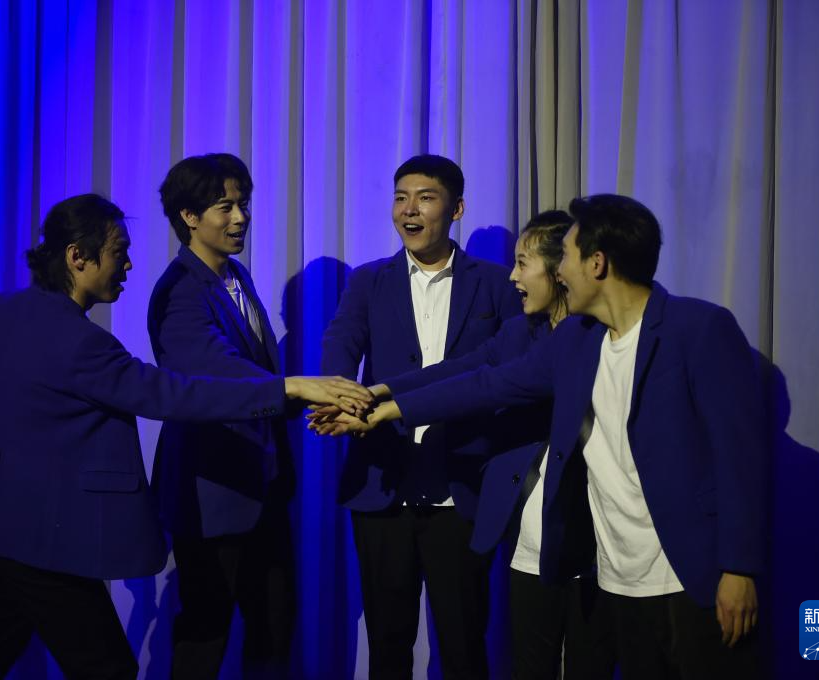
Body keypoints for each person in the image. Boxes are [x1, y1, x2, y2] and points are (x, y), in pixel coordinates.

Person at [320, 194, 767, 679]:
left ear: (597, 263)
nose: (559, 271)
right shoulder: (577, 339)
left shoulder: (698, 329)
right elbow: (484, 382)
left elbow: (739, 459)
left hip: (690, 575)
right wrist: (385, 409)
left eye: (566, 257)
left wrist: (739, 567)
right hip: (619, 577)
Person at [0, 194, 371, 679]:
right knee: (107, 670)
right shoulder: (84, 343)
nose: (129, 265)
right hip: (47, 545)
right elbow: (173, 395)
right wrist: (289, 388)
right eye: (118, 252)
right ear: (77, 256)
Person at [318, 211, 615, 679]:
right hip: (529, 532)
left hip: (590, 527)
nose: (512, 277)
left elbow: (485, 387)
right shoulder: (521, 331)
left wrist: (384, 412)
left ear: (562, 269)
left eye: (522, 264)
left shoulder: (591, 336)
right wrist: (377, 393)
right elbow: (461, 370)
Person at [320, 155, 520, 679]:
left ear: (457, 209)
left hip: (463, 488)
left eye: (425, 198)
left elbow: (509, 370)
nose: (409, 210)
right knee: (387, 644)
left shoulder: (497, 284)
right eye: (400, 197)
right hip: (383, 486)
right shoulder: (369, 281)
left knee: (464, 643)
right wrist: (338, 392)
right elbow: (342, 342)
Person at [148, 153, 294, 678]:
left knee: (274, 628)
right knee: (205, 635)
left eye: (243, 204)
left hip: (261, 485)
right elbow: (217, 372)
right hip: (211, 492)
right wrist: (299, 391)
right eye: (225, 206)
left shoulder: (235, 275)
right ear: (189, 216)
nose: (240, 217)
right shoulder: (179, 291)